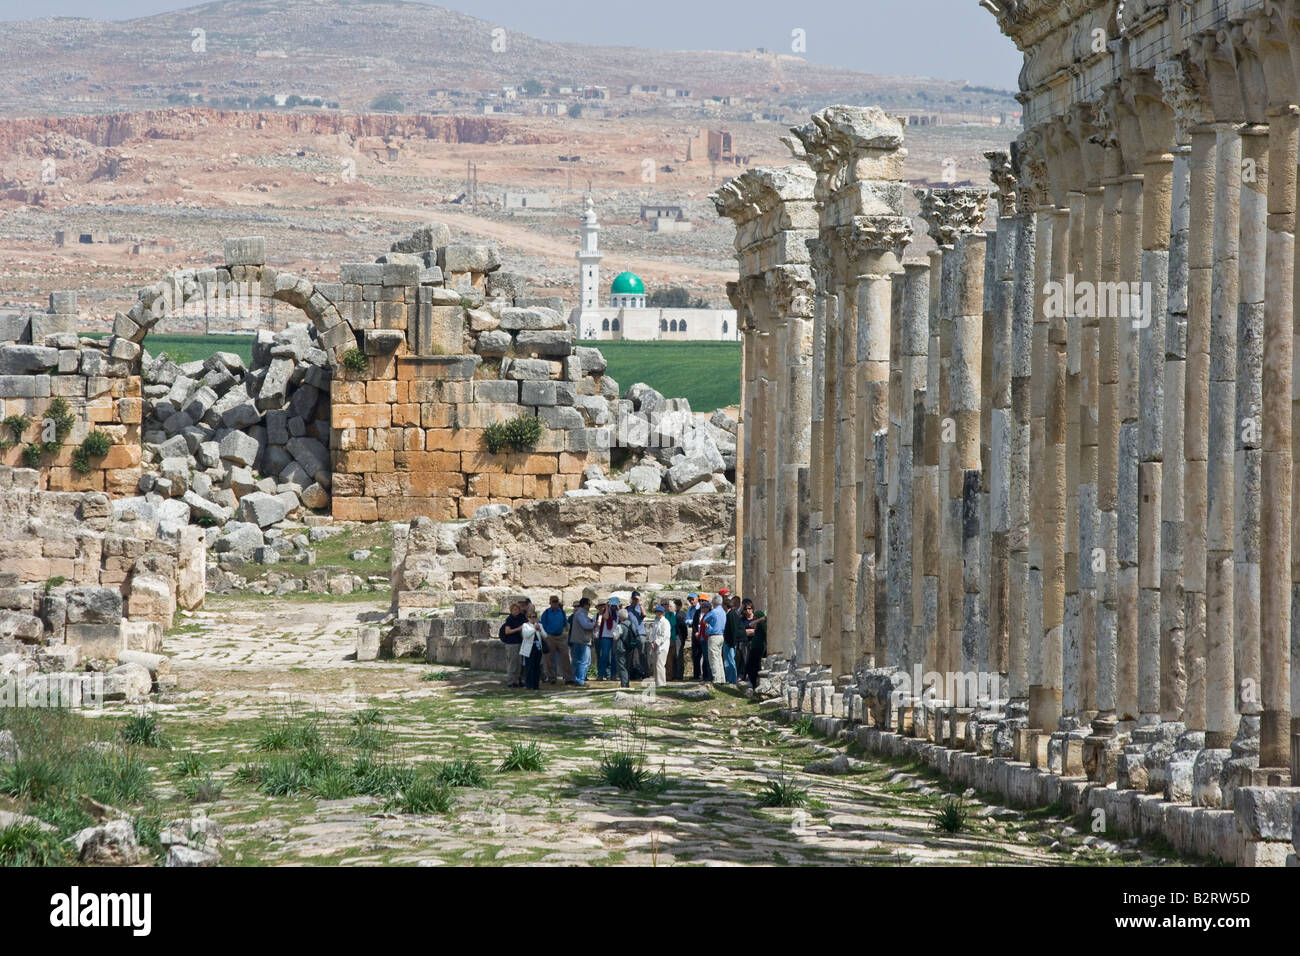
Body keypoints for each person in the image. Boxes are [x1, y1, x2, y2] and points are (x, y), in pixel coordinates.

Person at [540, 595, 572, 684]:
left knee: (565, 657)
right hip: (550, 637)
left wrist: (565, 633)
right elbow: (542, 624)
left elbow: (565, 624)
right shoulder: (546, 612)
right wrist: (546, 635)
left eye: (556, 601)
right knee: (549, 659)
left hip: (561, 637)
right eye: (553, 601)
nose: (555, 603)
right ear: (550, 603)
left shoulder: (562, 612)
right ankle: (552, 677)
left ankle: (568, 677)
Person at [567, 597, 597, 686]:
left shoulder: (581, 614)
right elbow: (585, 625)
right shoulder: (581, 614)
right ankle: (580, 680)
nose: (589, 607)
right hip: (581, 641)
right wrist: (594, 624)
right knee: (584, 661)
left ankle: (576, 679)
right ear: (584, 605)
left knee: (577, 661)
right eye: (588, 605)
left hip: (579, 641)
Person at [500, 600, 527, 688]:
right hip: (512, 643)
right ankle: (511, 681)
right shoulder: (509, 619)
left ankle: (518, 680)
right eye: (514, 609)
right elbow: (507, 631)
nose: (516, 611)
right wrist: (518, 629)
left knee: (519, 663)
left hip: (520, 642)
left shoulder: (522, 617)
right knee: (512, 663)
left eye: (517, 609)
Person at [742, 600, 767, 687]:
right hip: (755, 646)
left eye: (756, 617)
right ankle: (754, 683)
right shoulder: (759, 623)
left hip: (759, 647)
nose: (754, 618)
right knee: (751, 666)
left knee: (754, 666)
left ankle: (754, 684)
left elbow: (752, 624)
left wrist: (761, 620)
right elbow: (752, 624)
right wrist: (760, 619)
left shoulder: (763, 625)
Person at [596, 597, 621, 681]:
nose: (614, 607)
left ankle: (613, 675)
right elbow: (606, 617)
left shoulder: (618, 613)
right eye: (612, 605)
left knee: (614, 657)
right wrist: (607, 607)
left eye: (615, 605)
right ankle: (600, 674)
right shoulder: (606, 612)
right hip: (605, 636)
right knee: (604, 656)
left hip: (614, 637)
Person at [520, 608, 545, 690]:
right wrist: (534, 629)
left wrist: (540, 630)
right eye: (531, 617)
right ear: (528, 618)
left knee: (537, 667)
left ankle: (536, 685)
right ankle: (529, 685)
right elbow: (526, 635)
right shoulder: (525, 625)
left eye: (534, 617)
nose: (533, 618)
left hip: (537, 649)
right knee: (529, 667)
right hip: (529, 649)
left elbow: (545, 635)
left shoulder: (539, 625)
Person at [705, 595, 727, 685]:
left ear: (713, 603)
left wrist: (708, 626)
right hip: (721, 636)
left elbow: (705, 619)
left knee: (713, 658)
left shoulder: (714, 611)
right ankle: (722, 678)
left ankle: (716, 679)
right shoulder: (723, 611)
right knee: (719, 658)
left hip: (713, 636)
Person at [722, 595, 743, 684]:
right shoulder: (730, 614)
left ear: (726, 606)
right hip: (728, 641)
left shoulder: (731, 615)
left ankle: (732, 680)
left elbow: (733, 630)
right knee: (727, 661)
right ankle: (729, 679)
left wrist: (733, 643)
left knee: (730, 661)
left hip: (730, 642)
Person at [650, 605, 671, 687]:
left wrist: (656, 643)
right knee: (655, 665)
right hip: (655, 646)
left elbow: (665, 636)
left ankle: (662, 683)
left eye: (660, 612)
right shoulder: (656, 622)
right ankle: (657, 683)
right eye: (657, 612)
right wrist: (652, 642)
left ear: (663, 613)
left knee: (660, 664)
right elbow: (652, 634)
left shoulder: (665, 622)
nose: (658, 613)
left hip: (662, 647)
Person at [612, 607, 634, 688]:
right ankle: (627, 683)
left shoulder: (619, 626)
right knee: (627, 666)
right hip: (630, 648)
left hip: (621, 649)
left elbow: (615, 637)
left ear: (620, 617)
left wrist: (614, 631)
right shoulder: (631, 624)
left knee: (622, 667)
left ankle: (624, 685)